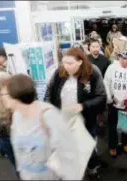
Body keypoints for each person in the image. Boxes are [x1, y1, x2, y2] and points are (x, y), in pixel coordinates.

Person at [0, 74, 80, 180]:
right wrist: (22, 171)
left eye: (4, 94)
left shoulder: (48, 114)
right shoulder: (17, 115)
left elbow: (68, 151)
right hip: (29, 176)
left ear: (16, 94)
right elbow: (19, 150)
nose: (1, 97)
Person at [44, 47, 106, 180]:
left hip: (85, 120)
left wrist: (83, 106)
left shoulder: (92, 72)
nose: (66, 66)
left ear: (80, 62)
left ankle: (92, 169)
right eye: (64, 62)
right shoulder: (59, 72)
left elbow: (101, 97)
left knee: (87, 147)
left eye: (70, 63)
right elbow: (49, 91)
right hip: (62, 119)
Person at [104, 49, 127, 157]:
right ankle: (112, 146)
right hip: (113, 102)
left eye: (125, 58)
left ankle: (125, 143)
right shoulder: (112, 67)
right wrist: (109, 98)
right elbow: (106, 83)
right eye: (121, 57)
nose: (122, 60)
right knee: (112, 126)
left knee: (126, 125)